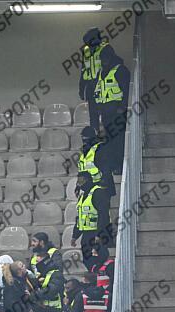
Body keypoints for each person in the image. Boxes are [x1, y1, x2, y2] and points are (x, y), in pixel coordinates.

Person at [94, 45, 130, 173]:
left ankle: (119, 166)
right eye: (102, 58)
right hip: (105, 115)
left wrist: (122, 108)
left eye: (106, 58)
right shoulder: (101, 73)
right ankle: (113, 166)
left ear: (111, 57)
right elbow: (98, 93)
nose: (104, 61)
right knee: (109, 143)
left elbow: (126, 90)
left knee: (118, 142)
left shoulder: (120, 71)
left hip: (117, 114)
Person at [71, 173, 111, 262]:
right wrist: (75, 236)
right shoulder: (82, 196)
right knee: (87, 261)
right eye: (78, 182)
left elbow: (103, 215)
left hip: (97, 233)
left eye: (82, 181)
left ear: (88, 180)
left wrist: (99, 234)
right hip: (86, 234)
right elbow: (80, 218)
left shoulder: (98, 192)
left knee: (99, 260)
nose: (80, 184)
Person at [79, 28, 108, 130]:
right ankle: (94, 135)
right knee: (93, 116)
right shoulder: (86, 51)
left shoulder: (105, 49)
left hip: (103, 87)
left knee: (105, 115)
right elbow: (83, 70)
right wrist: (81, 89)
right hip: (91, 86)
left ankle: (107, 136)